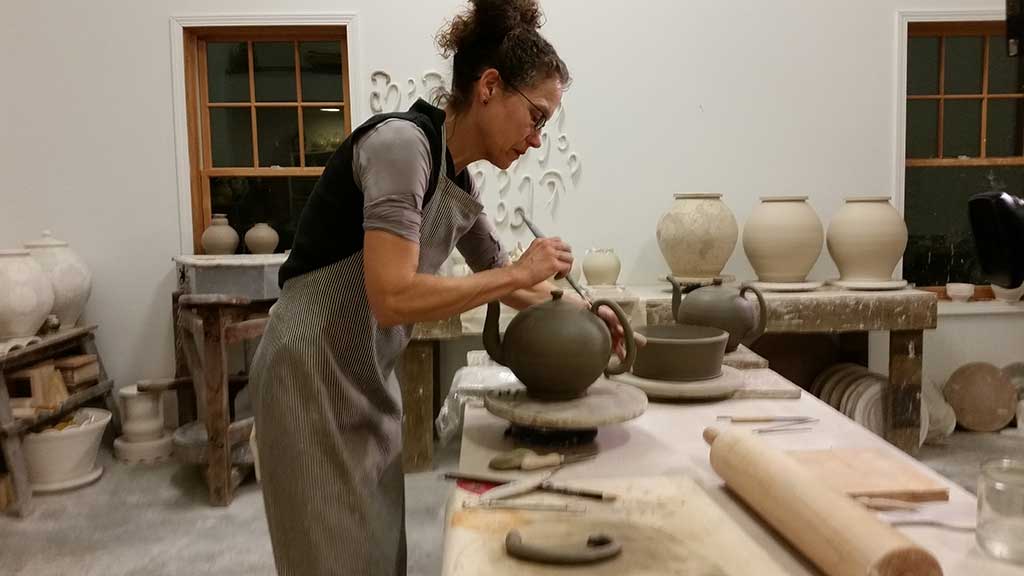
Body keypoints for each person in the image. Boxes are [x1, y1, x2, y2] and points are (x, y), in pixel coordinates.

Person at [250, 0, 623, 574]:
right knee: (329, 556)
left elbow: (507, 282)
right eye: (537, 117)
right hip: (309, 366)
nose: (536, 140)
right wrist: (518, 272)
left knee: (377, 551)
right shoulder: (403, 147)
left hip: (365, 372)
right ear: (490, 87)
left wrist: (588, 310)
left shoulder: (457, 175)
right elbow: (392, 295)